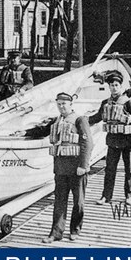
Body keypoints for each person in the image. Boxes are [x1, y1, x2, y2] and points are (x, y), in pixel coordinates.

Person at [23, 92, 93, 243]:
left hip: (76, 168)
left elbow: (87, 143)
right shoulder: (56, 120)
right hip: (61, 168)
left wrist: (83, 165)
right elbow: (42, 130)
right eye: (59, 104)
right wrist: (24, 132)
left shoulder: (80, 120)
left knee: (78, 202)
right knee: (59, 201)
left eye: (64, 104)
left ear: (70, 104)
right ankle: (56, 233)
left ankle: (75, 229)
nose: (61, 107)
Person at [89, 70, 131, 205]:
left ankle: (129, 196)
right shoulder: (105, 102)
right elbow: (97, 118)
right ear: (109, 87)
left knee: (129, 170)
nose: (114, 88)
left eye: (116, 85)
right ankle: (106, 196)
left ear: (121, 86)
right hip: (112, 141)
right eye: (112, 85)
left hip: (127, 141)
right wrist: (82, 121)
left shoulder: (128, 102)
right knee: (109, 170)